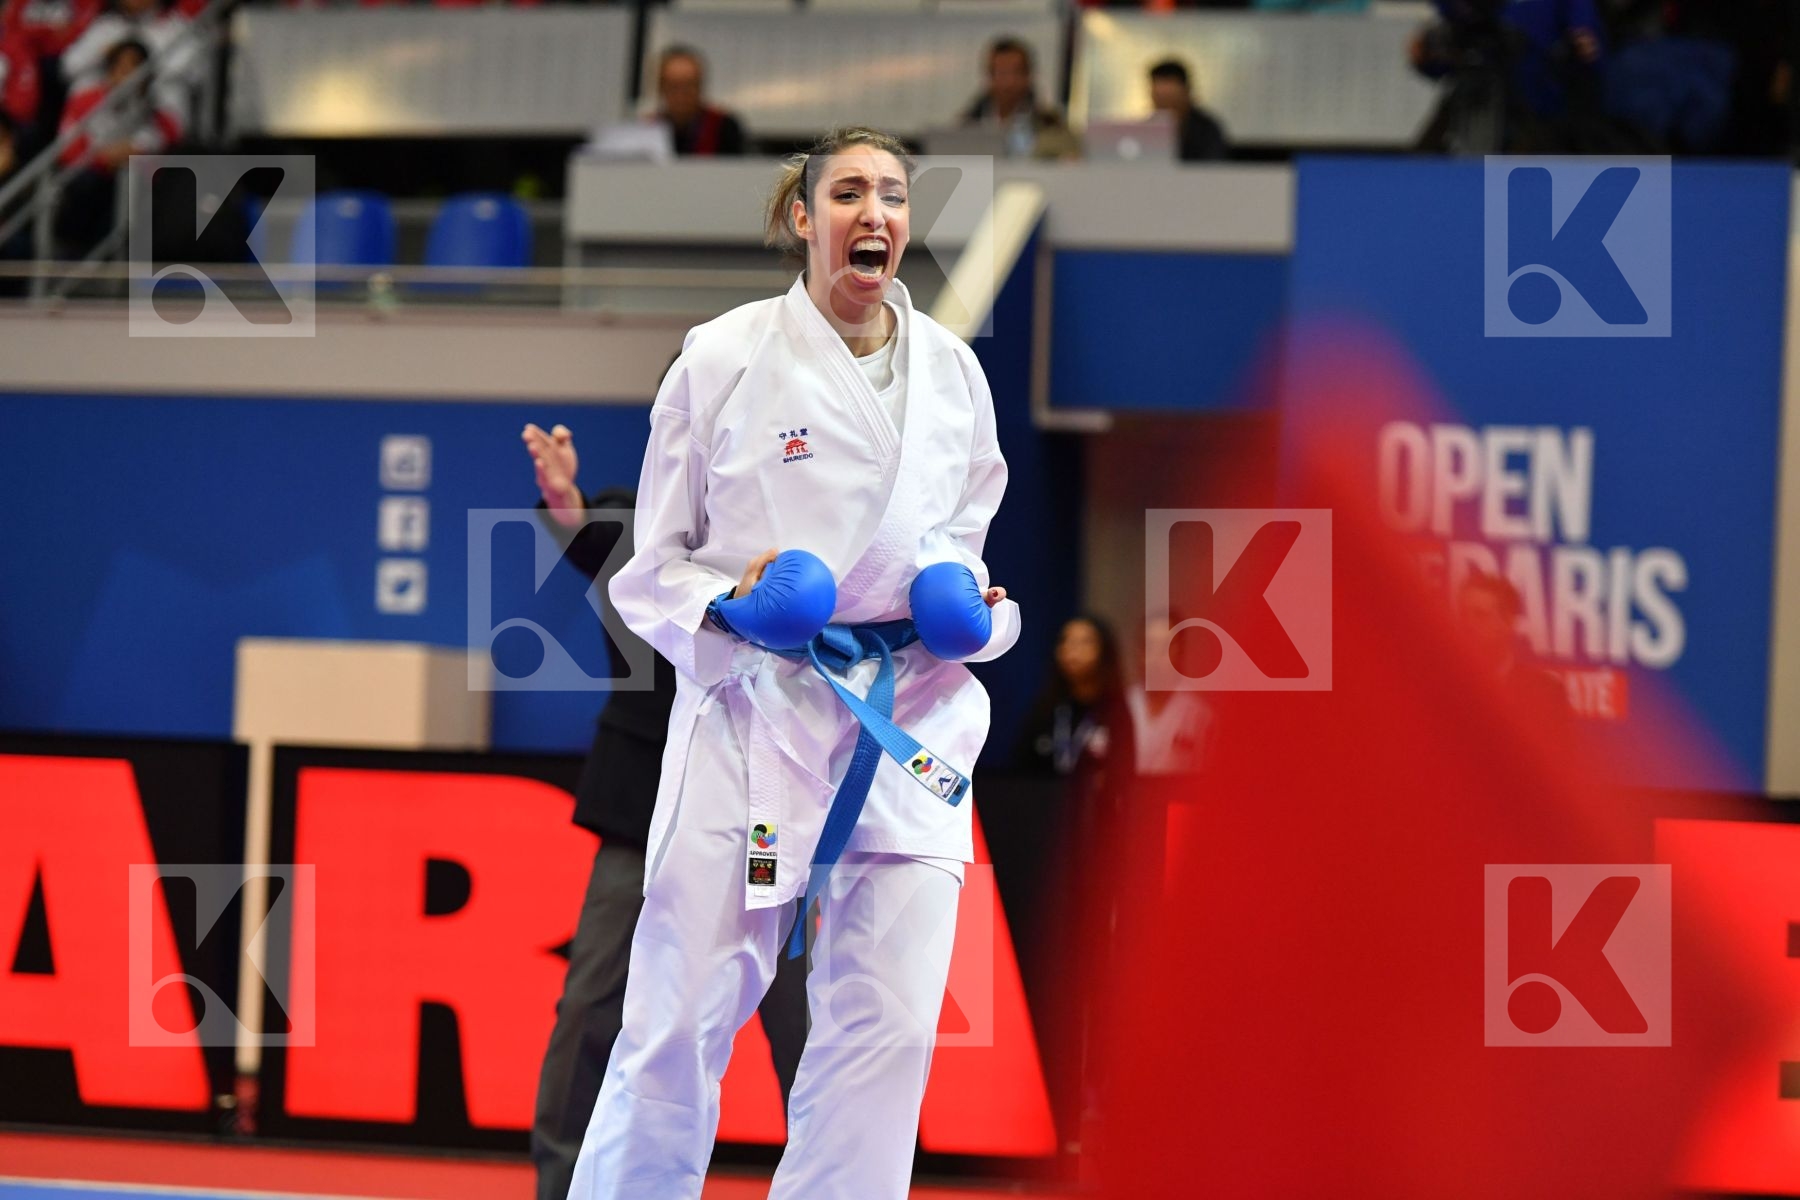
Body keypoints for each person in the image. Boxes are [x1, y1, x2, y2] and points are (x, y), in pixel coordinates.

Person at [566, 125, 1020, 1200]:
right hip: (756, 716)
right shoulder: (720, 355)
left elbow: (968, 557)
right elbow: (653, 571)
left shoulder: (955, 374)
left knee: (891, 1032)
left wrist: (981, 617)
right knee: (678, 1019)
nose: (876, 213)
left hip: (909, 720)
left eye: (895, 195)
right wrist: (735, 606)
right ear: (803, 219)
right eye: (850, 192)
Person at [518, 425, 808, 1200]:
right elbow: (588, 536)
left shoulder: (805, 529)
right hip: (643, 806)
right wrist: (563, 500)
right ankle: (561, 1187)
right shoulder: (640, 519)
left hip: (769, 809)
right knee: (591, 1006)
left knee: (800, 1020)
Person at [52, 38, 176, 257]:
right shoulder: (85, 101)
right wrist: (105, 159)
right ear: (109, 70)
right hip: (93, 181)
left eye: (134, 68)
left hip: (136, 184)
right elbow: (68, 149)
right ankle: (78, 255)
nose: (126, 75)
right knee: (87, 186)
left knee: (135, 190)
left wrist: (131, 153)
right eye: (121, 67)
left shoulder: (155, 109)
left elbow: (169, 138)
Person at [1013, 614, 1136, 787]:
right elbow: (1020, 769)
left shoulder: (1116, 712)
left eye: (1085, 642)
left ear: (1104, 651)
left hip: (1098, 807)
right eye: (1066, 641)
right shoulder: (1046, 709)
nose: (1072, 650)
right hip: (1044, 805)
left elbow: (1125, 773)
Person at [961, 36, 1080, 161]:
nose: (1009, 82)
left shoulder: (1052, 126)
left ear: (1028, 76)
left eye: (1016, 72)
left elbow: (1072, 161)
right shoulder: (967, 126)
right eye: (1001, 73)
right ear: (989, 76)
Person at [1125, 612, 1214, 777]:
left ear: (1180, 651)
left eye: (1165, 647)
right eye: (1149, 646)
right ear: (1139, 653)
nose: (1156, 657)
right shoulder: (1123, 705)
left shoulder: (1199, 714)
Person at [654, 45, 746, 157]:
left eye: (689, 85)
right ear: (661, 88)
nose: (681, 94)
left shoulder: (724, 127)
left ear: (700, 86)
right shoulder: (649, 129)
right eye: (674, 86)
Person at [1147, 58, 1229, 162]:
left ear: (1186, 92)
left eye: (1170, 99)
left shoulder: (1207, 129)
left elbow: (1212, 167)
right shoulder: (1148, 129)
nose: (1165, 106)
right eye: (1159, 98)